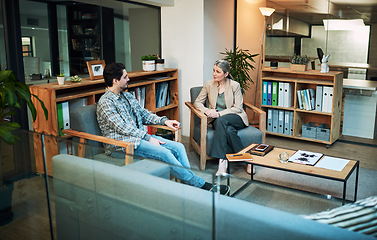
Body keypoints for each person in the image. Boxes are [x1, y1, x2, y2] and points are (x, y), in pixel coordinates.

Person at [96, 62, 229, 194]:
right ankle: (201, 186)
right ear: (115, 80)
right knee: (164, 153)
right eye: (125, 77)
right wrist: (148, 138)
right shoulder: (106, 103)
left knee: (179, 147)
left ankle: (189, 187)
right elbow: (123, 128)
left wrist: (164, 121)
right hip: (121, 145)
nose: (128, 79)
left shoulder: (127, 96)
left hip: (138, 139)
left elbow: (143, 114)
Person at [194, 60, 254, 176]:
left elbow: (238, 108)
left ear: (226, 74)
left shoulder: (234, 85)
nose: (214, 74)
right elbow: (197, 102)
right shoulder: (209, 84)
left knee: (222, 121)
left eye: (218, 71)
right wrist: (207, 110)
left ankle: (222, 161)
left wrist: (219, 114)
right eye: (213, 70)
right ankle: (247, 159)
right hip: (217, 121)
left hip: (235, 117)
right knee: (228, 130)